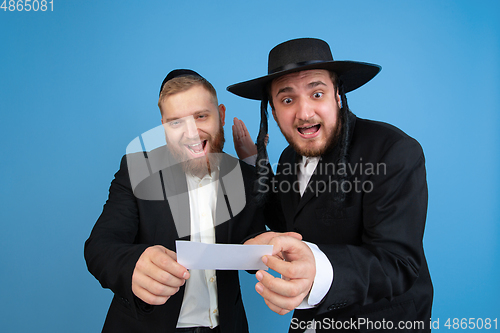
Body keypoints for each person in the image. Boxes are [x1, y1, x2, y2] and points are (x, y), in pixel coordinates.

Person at [228, 38, 433, 332]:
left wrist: (318, 271)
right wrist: (252, 162)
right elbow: (282, 218)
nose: (304, 113)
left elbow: (397, 264)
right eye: (287, 100)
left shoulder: (392, 150)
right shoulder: (289, 158)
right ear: (273, 112)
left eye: (317, 93)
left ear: (338, 96)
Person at [84, 69, 267, 333]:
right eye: (176, 122)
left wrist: (262, 249)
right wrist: (133, 264)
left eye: (201, 116)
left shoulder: (245, 177)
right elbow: (99, 246)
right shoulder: (138, 170)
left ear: (222, 115)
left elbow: (251, 239)